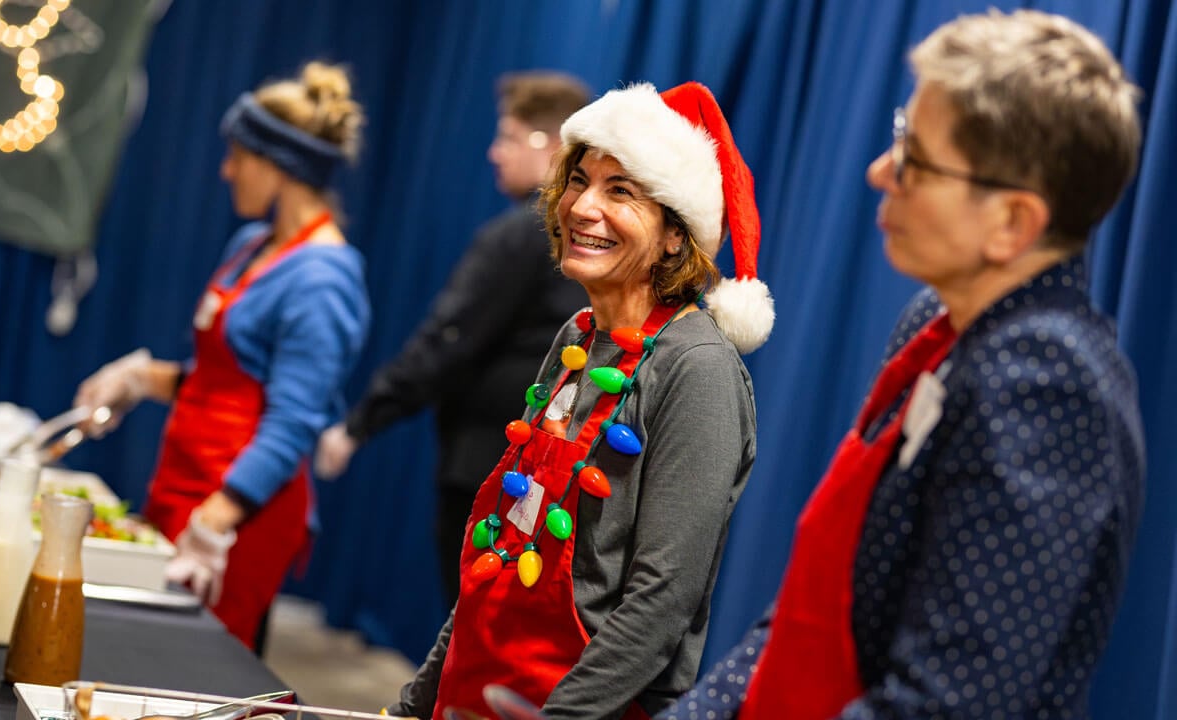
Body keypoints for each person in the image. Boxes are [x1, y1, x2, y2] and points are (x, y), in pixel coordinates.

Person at [660, 9, 1145, 720]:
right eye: (898, 135)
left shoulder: (1047, 387)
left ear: (1013, 222)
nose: (879, 171)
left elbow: (947, 705)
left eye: (914, 157)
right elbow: (817, 610)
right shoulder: (935, 327)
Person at [386, 81, 774, 720]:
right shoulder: (577, 337)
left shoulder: (697, 368)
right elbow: (504, 549)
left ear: (676, 235)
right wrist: (415, 703)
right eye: (578, 181)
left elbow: (662, 602)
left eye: (620, 191)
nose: (583, 207)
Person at [73, 61, 371, 652]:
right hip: (185, 482)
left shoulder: (323, 280)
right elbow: (221, 382)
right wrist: (136, 378)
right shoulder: (251, 245)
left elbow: (291, 425)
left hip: (239, 513)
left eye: (238, 155)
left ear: (279, 165)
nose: (226, 169)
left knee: (188, 677)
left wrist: (216, 520)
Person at [314, 71, 590, 604]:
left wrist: (361, 422)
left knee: (477, 617)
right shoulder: (576, 247)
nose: (493, 152)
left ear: (553, 148)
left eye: (509, 136)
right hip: (546, 476)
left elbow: (449, 339)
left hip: (492, 468)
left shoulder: (522, 235)